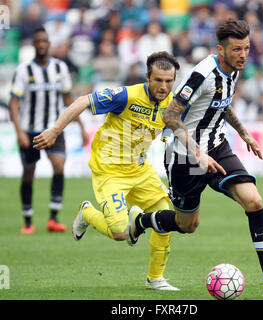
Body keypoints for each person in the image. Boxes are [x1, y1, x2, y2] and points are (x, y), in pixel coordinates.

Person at [126, 19, 263, 298]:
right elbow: (170, 116)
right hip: (185, 158)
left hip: (218, 148)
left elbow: (223, 104)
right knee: (187, 225)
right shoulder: (201, 75)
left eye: (246, 48)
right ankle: (141, 222)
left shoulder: (235, 70)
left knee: (254, 202)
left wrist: (244, 134)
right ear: (221, 49)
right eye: (237, 49)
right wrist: (197, 153)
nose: (243, 55)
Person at [32, 52, 222, 290]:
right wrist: (55, 130)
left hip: (141, 171)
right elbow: (82, 101)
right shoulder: (125, 95)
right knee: (121, 232)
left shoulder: (172, 104)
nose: (163, 86)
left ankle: (156, 279)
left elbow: (191, 125)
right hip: (109, 171)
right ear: (147, 77)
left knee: (165, 218)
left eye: (168, 81)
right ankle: (88, 213)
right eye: (158, 80)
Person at [9, 26, 88, 234]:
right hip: (30, 130)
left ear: (49, 43)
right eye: (38, 41)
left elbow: (69, 99)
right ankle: (28, 220)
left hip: (55, 128)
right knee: (28, 172)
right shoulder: (23, 70)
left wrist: (80, 125)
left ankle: (53, 218)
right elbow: (14, 102)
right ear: (34, 44)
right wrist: (18, 131)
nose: (42, 44)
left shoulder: (60, 68)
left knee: (59, 166)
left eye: (45, 41)